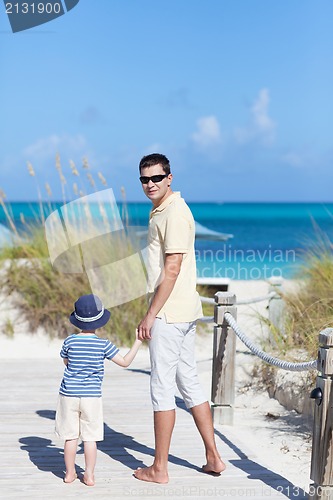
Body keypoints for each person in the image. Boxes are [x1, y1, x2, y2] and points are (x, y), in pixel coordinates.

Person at [134, 153, 225, 483]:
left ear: (169, 177)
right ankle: (213, 457)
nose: (150, 184)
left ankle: (159, 469)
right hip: (184, 311)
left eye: (157, 178)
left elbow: (171, 269)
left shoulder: (173, 212)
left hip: (170, 315)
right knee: (190, 384)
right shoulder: (162, 210)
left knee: (161, 388)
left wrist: (150, 315)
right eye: (144, 179)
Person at [55, 293, 142, 486]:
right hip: (91, 397)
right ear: (100, 321)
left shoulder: (70, 341)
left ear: (77, 320)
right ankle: (89, 475)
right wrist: (137, 342)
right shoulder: (103, 345)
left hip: (68, 394)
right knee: (90, 438)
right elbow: (125, 362)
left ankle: (69, 474)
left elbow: (65, 361)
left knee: (70, 437)